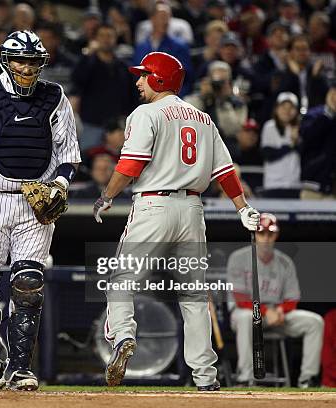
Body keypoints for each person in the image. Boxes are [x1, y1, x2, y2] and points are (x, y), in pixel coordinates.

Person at [93, 52, 260, 390]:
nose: (138, 82)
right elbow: (225, 171)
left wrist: (106, 196)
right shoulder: (203, 118)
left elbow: (130, 166)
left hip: (154, 206)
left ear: (159, 79)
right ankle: (205, 378)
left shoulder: (145, 113)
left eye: (144, 76)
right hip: (193, 211)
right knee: (195, 297)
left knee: (121, 280)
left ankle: (124, 336)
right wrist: (242, 208)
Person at [0, 30, 81, 390]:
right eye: (21, 60)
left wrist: (60, 187)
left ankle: (22, 368)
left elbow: (69, 155)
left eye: (34, 60)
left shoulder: (54, 97)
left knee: (28, 284)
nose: (27, 67)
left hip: (34, 202)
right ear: (6, 60)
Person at [227, 213, 324, 387]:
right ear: (254, 235)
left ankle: (308, 380)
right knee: (246, 318)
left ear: (276, 235)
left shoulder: (284, 262)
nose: (265, 238)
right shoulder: (238, 258)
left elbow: (292, 298)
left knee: (314, 322)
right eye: (261, 233)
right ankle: (245, 378)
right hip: (246, 313)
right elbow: (240, 298)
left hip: (276, 315)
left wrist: (280, 311)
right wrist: (266, 311)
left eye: (269, 234)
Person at [185, 61, 247, 143]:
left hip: (225, 146)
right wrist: (204, 98)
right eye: (216, 82)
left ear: (229, 83)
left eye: (223, 82)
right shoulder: (197, 98)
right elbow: (187, 120)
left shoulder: (237, 104)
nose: (219, 86)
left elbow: (231, 130)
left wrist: (223, 102)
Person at [299, 80, 336, 199]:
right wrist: (329, 114)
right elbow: (308, 137)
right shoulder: (314, 114)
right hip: (314, 185)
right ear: (330, 93)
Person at [260, 92, 301, 198]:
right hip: (273, 185)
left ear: (296, 111)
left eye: (291, 108)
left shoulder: (300, 128)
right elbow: (268, 154)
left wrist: (298, 142)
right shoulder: (269, 126)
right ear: (276, 109)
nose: (287, 111)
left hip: (294, 185)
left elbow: (306, 154)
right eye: (283, 107)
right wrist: (291, 145)